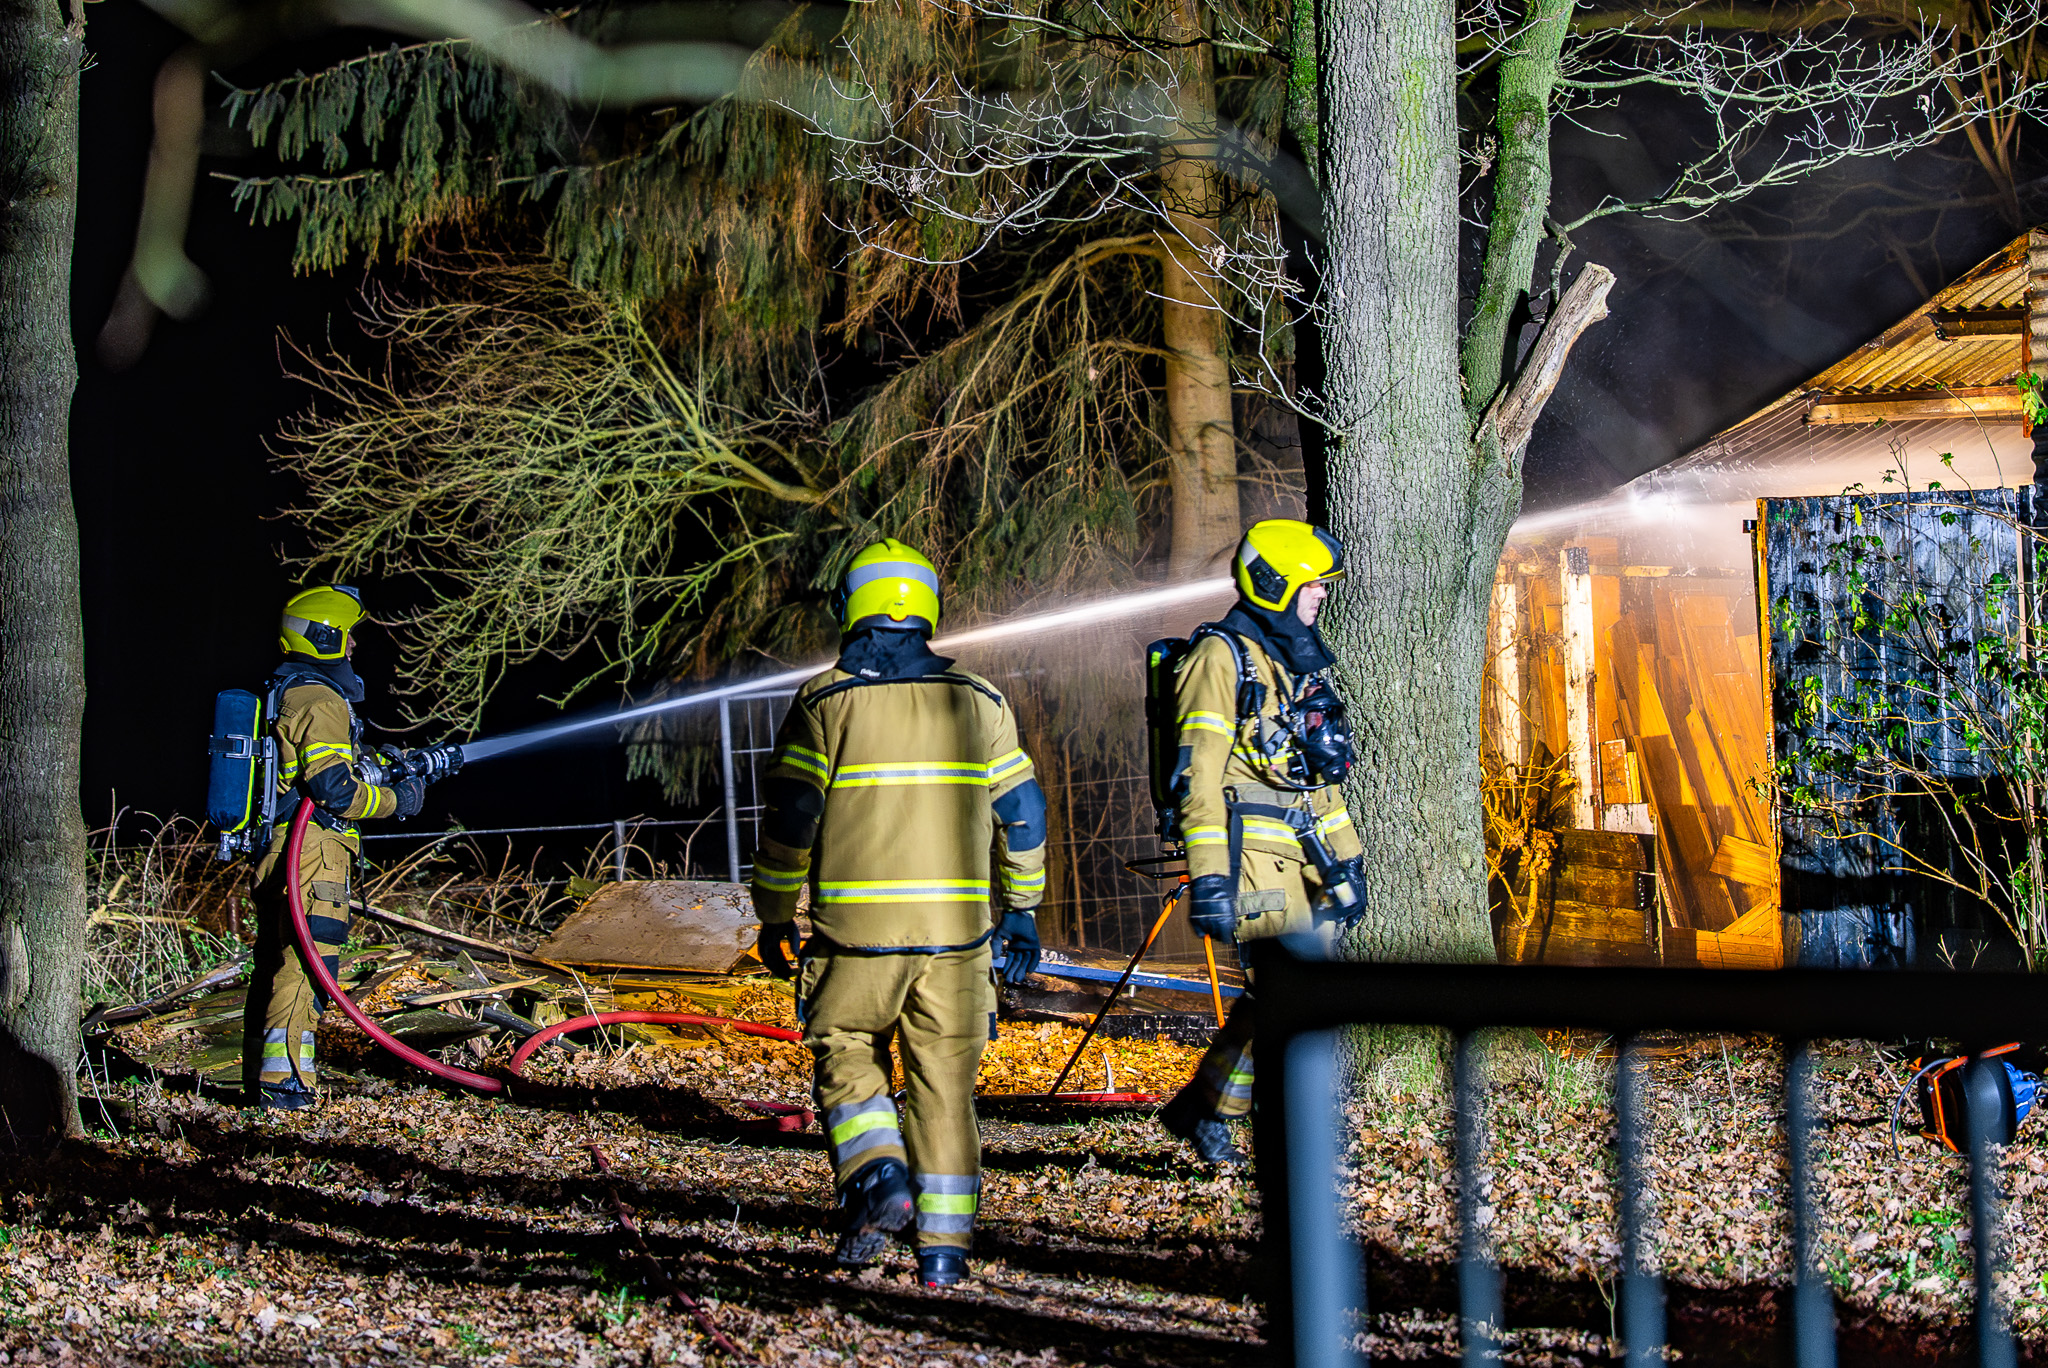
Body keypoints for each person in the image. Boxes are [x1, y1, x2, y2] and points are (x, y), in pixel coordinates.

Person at [749, 539, 1047, 1289]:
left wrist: (775, 912)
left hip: (856, 943)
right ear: (928, 611)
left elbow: (792, 818)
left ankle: (879, 1175)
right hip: (958, 943)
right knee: (945, 1088)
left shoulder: (825, 701)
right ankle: (942, 1257)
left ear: (852, 607)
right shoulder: (981, 702)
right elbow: (1025, 812)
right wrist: (1024, 911)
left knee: (846, 1047)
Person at [1156, 519, 1365, 1164]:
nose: (1322, 597)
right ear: (1274, 584)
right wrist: (1211, 875)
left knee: (1288, 993)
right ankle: (1304, 1139)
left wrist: (1347, 863)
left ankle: (1208, 1105)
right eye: (1313, 586)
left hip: (1302, 859)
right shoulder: (1221, 658)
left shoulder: (1287, 660)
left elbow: (1316, 777)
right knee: (1293, 995)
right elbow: (1198, 778)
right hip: (1248, 857)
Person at [240, 586, 425, 1109]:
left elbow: (315, 767)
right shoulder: (321, 699)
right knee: (307, 965)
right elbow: (336, 792)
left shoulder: (290, 690)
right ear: (326, 637)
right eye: (348, 638)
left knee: (275, 962)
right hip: (314, 851)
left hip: (277, 850)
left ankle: (261, 1075)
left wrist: (377, 757)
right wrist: (397, 800)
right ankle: (288, 1086)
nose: (352, 649)